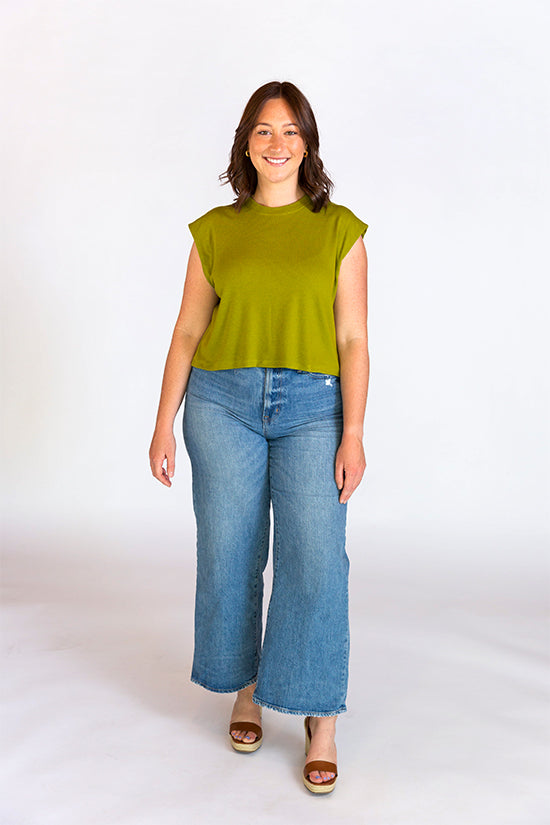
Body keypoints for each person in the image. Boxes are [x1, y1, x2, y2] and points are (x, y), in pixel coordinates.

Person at [149, 80, 369, 794]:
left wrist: (354, 432)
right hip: (222, 403)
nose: (278, 144)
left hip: (313, 407)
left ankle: (319, 716)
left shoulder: (340, 230)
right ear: (246, 143)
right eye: (264, 131)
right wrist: (162, 423)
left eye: (291, 131)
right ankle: (245, 688)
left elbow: (353, 339)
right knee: (231, 550)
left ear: (308, 144)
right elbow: (188, 330)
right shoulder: (215, 230)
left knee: (316, 558)